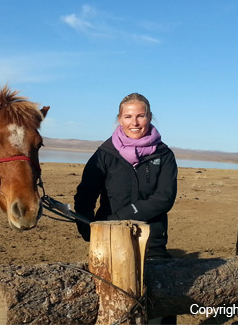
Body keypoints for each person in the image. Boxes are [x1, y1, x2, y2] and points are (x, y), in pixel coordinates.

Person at [74, 93, 178, 324]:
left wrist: (120, 218)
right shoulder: (104, 154)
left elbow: (164, 198)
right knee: (109, 304)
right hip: (108, 242)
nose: (135, 122)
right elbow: (85, 194)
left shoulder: (164, 154)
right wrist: (86, 228)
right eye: (128, 116)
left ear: (149, 118)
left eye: (140, 116)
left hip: (153, 240)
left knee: (162, 304)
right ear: (119, 119)